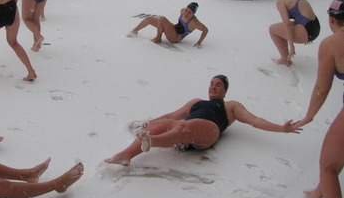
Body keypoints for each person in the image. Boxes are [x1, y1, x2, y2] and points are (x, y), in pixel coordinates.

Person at [105, 75, 300, 167]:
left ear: (225, 91)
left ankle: (153, 142)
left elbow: (253, 120)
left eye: (218, 85)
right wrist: (149, 123)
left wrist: (281, 129)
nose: (213, 88)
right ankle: (125, 155)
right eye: (211, 84)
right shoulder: (196, 102)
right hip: (183, 130)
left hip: (208, 132)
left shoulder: (231, 106)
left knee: (182, 126)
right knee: (163, 125)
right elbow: (173, 115)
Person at [293, 0, 344, 198]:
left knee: (328, 166)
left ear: (333, 20)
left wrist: (309, 116)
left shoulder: (333, 44)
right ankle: (318, 193)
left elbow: (322, 88)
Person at [269, 0, 320, 66]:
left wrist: (291, 45)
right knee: (279, 27)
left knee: (272, 29)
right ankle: (304, 35)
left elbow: (287, 24)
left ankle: (285, 59)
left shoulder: (281, 1)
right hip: (314, 27)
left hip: (306, 30)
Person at [127, 2, 208, 48]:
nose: (186, 13)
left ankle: (158, 38)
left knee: (162, 19)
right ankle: (134, 31)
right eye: (187, 10)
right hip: (173, 28)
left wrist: (199, 42)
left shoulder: (195, 22)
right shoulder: (183, 11)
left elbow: (205, 30)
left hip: (176, 37)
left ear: (193, 14)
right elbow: (183, 12)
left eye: (189, 12)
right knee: (149, 19)